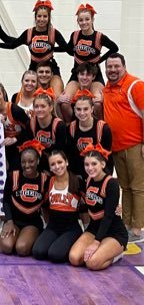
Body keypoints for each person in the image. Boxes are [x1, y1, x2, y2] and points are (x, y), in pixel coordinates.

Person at [103, 53, 144, 243]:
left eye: (116, 66)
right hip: (117, 147)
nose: (112, 70)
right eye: (109, 67)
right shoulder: (107, 89)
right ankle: (127, 224)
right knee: (125, 188)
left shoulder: (135, 85)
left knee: (138, 188)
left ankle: (138, 228)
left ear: (124, 66)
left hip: (135, 145)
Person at [69, 143, 127, 270]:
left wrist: (96, 242)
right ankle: (102, 250)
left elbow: (108, 216)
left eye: (94, 164)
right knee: (74, 258)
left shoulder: (111, 183)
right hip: (94, 228)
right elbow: (87, 205)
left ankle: (117, 254)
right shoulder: (88, 180)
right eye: (87, 164)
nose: (90, 168)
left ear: (103, 164)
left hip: (113, 231)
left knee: (92, 263)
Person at [0, 0, 67, 97]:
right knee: (24, 95)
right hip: (34, 67)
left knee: (56, 95)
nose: (42, 19)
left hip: (51, 67)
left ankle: (55, 112)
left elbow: (66, 48)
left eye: (45, 16)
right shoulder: (28, 33)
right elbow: (12, 45)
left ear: (49, 18)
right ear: (35, 17)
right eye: (39, 16)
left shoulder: (53, 33)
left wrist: (52, 49)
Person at [62, 4, 119, 118]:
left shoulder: (99, 37)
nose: (84, 22)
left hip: (95, 75)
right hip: (76, 74)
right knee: (64, 102)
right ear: (77, 21)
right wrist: (51, 47)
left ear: (92, 19)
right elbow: (68, 50)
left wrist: (100, 60)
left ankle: (99, 127)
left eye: (87, 19)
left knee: (97, 103)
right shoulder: (75, 35)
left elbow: (114, 48)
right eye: (81, 20)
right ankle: (70, 127)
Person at [32, 150, 85, 263]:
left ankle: (72, 242)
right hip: (53, 227)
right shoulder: (49, 182)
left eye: (60, 162)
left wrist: (87, 231)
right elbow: (45, 206)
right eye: (53, 164)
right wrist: (47, 224)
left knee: (55, 255)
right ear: (50, 168)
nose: (57, 166)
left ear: (66, 162)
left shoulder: (77, 181)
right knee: (38, 252)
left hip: (71, 229)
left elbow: (88, 206)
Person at [0, 140, 48, 256]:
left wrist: (48, 227)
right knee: (6, 247)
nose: (27, 165)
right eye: (23, 162)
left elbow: (46, 205)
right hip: (14, 221)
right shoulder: (13, 176)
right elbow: (6, 201)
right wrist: (9, 221)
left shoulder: (45, 179)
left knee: (22, 249)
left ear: (38, 161)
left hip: (32, 222)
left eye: (31, 161)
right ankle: (17, 236)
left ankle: (30, 237)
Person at [66, 91, 112, 179]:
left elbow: (108, 159)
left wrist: (105, 180)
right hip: (78, 175)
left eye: (86, 109)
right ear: (74, 110)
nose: (82, 113)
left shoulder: (103, 128)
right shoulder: (71, 128)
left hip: (98, 175)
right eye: (79, 109)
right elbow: (71, 156)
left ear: (92, 109)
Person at [0, 82, 30, 171]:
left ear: (4, 94)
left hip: (18, 148)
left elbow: (30, 131)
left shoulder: (15, 110)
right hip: (0, 149)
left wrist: (15, 139)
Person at [29, 88, 67, 172]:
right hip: (39, 160)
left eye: (43, 106)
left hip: (55, 162)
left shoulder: (59, 125)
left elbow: (60, 151)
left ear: (50, 108)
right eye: (36, 107)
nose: (39, 109)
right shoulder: (31, 122)